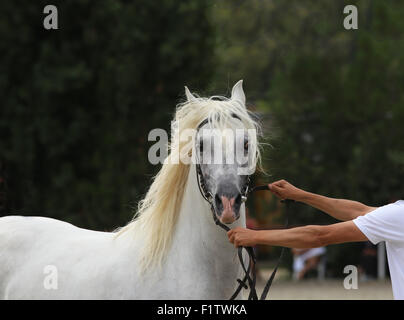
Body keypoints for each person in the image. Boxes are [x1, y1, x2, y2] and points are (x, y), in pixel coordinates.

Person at [227, 180, 404, 300]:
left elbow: (319, 236)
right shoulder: (397, 213)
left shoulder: (399, 215)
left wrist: (255, 236)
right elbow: (359, 211)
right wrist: (299, 195)